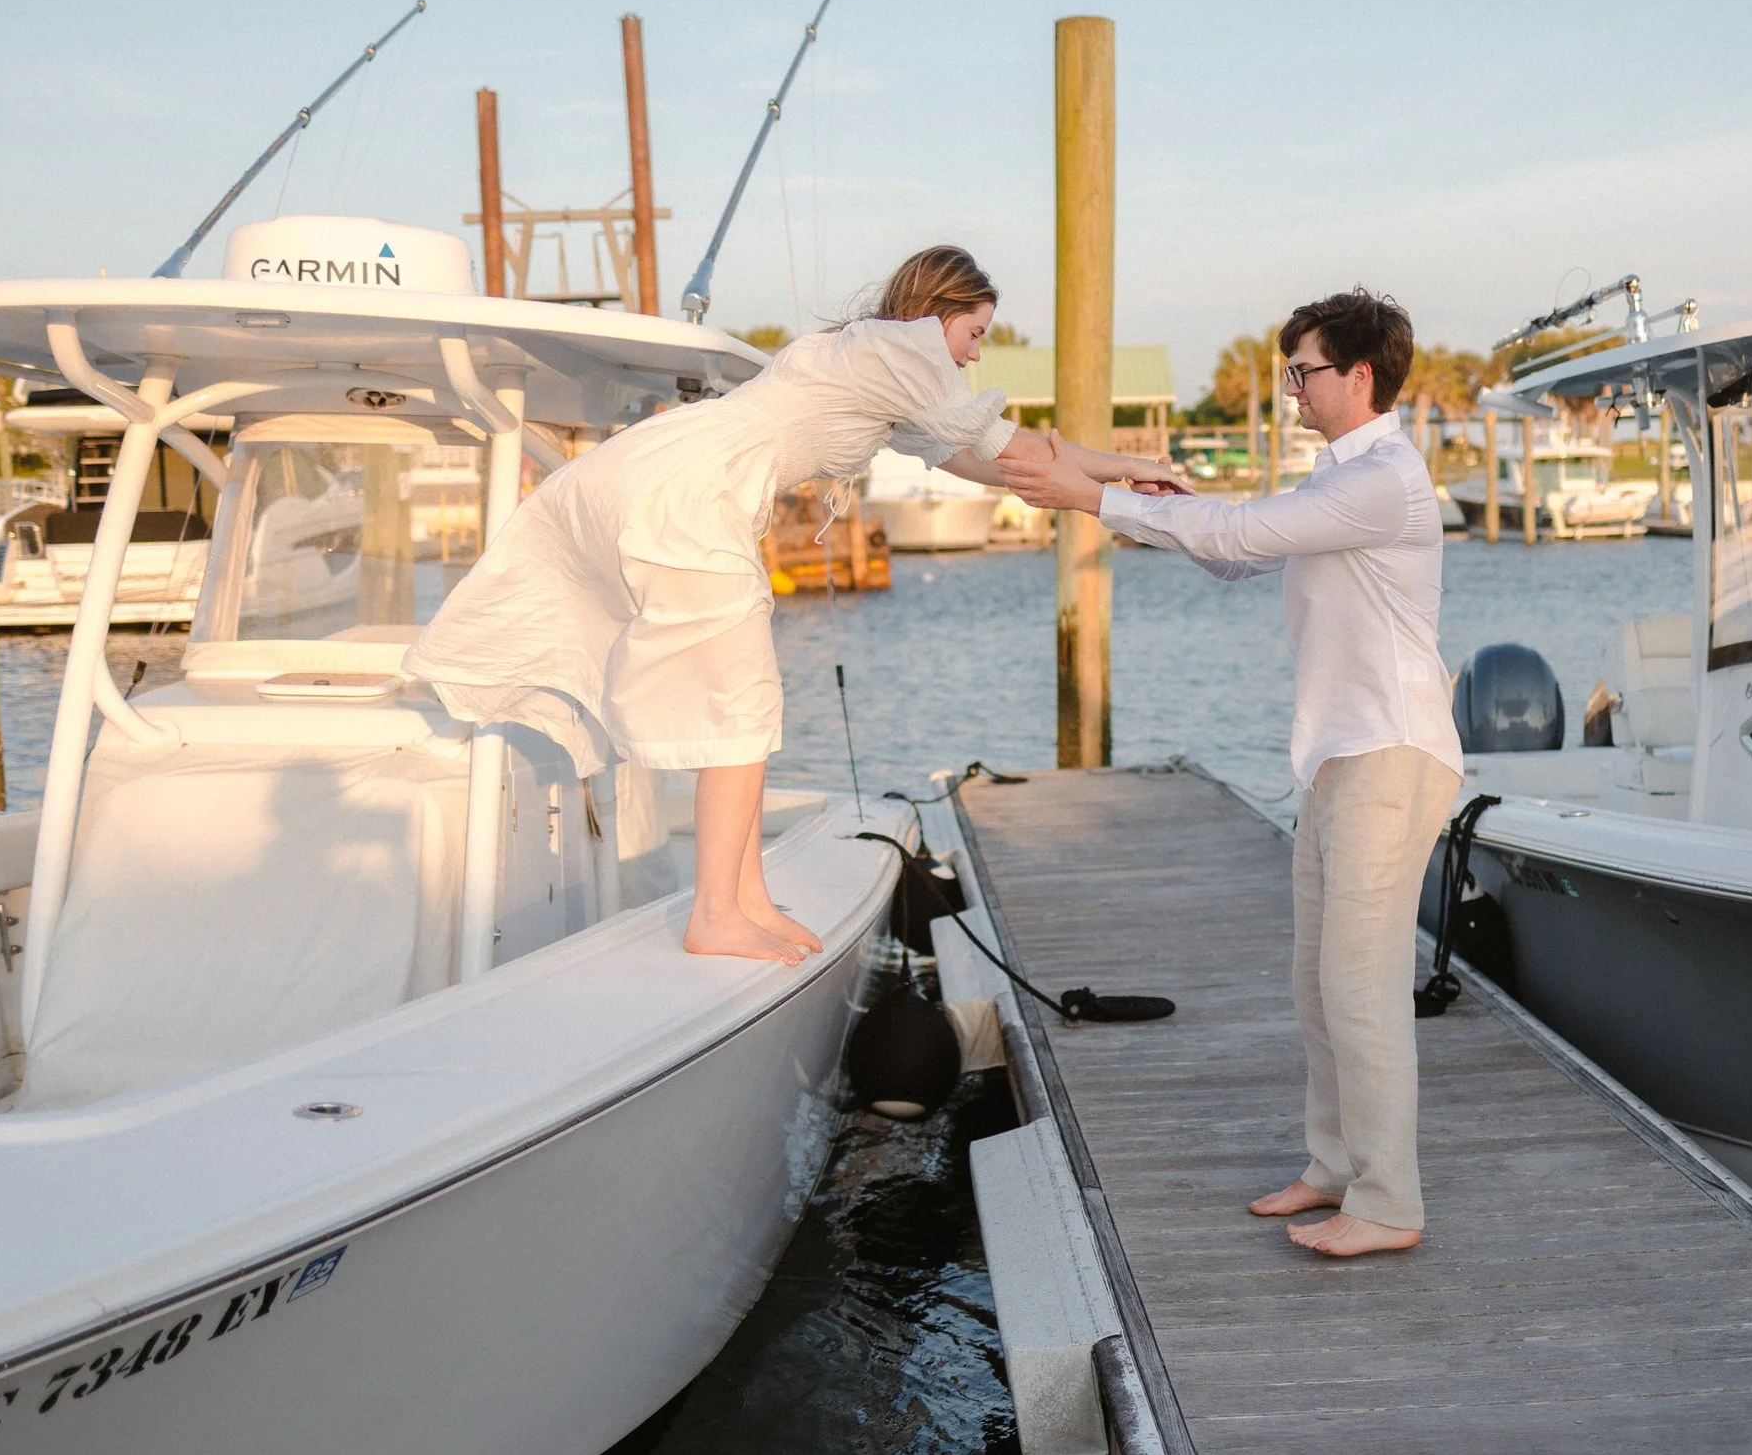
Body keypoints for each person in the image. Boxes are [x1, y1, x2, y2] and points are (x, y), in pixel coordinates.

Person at [404, 246, 1177, 965]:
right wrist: (1121, 479)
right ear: (941, 311)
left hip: (672, 471)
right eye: (975, 332)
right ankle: (716, 912)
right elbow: (1015, 451)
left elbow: (981, 460)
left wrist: (1122, 473)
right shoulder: (904, 351)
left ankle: (742, 899)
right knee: (741, 705)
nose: (977, 352)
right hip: (694, 490)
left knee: (749, 704)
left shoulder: (876, 358)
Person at [998, 289, 1462, 1258]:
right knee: (1315, 981)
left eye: (1303, 370)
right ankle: (1334, 1165)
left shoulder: (1385, 477)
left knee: (1359, 984)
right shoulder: (1336, 484)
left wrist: (1094, 494)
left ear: (1359, 375)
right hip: (1341, 758)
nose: (1291, 386)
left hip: (1391, 752)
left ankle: (1388, 1202)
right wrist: (1156, 511)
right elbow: (1234, 555)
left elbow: (1243, 535)